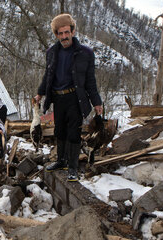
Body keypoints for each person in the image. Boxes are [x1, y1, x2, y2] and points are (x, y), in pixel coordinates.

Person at [35, 14, 102, 182]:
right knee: (60, 131)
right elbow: (48, 76)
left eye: (67, 32)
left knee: (73, 133)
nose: (64, 37)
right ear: (56, 34)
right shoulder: (52, 52)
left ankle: (72, 167)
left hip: (75, 98)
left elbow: (90, 80)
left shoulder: (85, 53)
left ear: (72, 31)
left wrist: (97, 102)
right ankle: (61, 161)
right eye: (60, 33)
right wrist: (40, 92)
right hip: (58, 98)